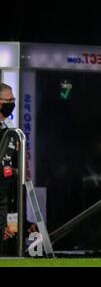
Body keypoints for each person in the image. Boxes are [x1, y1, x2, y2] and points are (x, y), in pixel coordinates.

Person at [0, 83, 17, 255]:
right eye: (8, 100)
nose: (11, 103)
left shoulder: (10, 130)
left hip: (3, 198)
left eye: (13, 100)